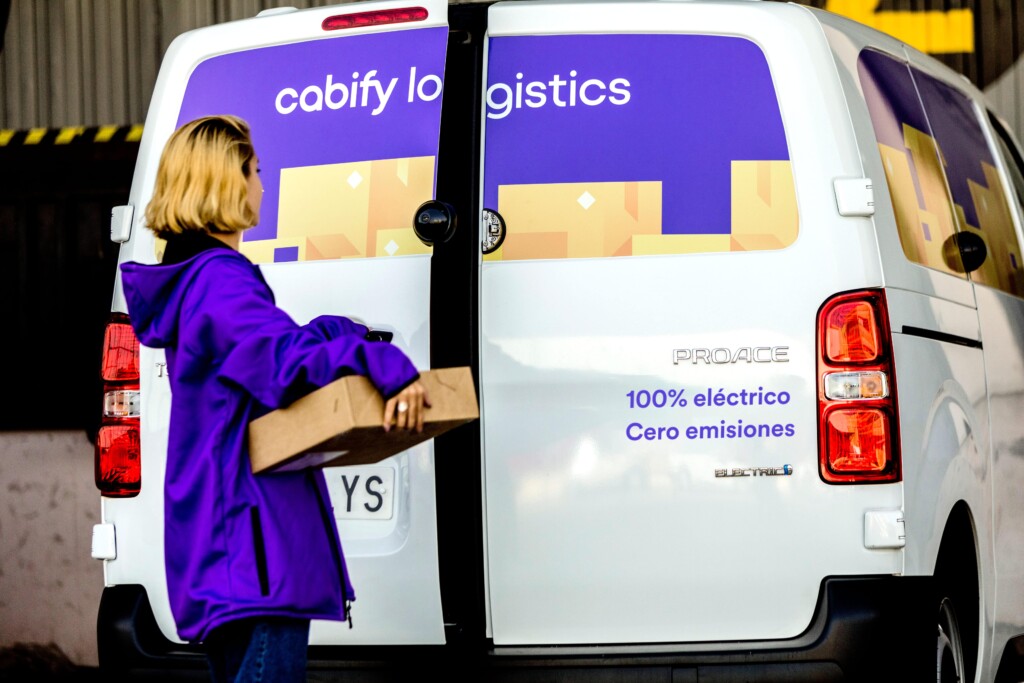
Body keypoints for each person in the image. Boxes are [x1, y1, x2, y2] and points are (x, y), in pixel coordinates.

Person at [119, 115, 428, 683]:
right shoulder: (220, 280)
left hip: (229, 553)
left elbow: (261, 353)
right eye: (256, 171)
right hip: (253, 556)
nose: (263, 184)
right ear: (226, 182)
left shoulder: (196, 283)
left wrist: (338, 332)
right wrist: (385, 365)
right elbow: (283, 366)